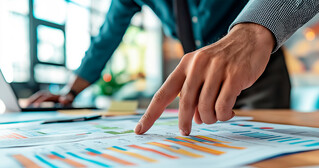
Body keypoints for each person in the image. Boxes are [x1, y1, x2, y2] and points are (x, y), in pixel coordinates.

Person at [27, 0, 317, 136]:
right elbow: (107, 36)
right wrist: (69, 93)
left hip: (260, 68)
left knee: (267, 147)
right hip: (200, 75)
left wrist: (253, 31)